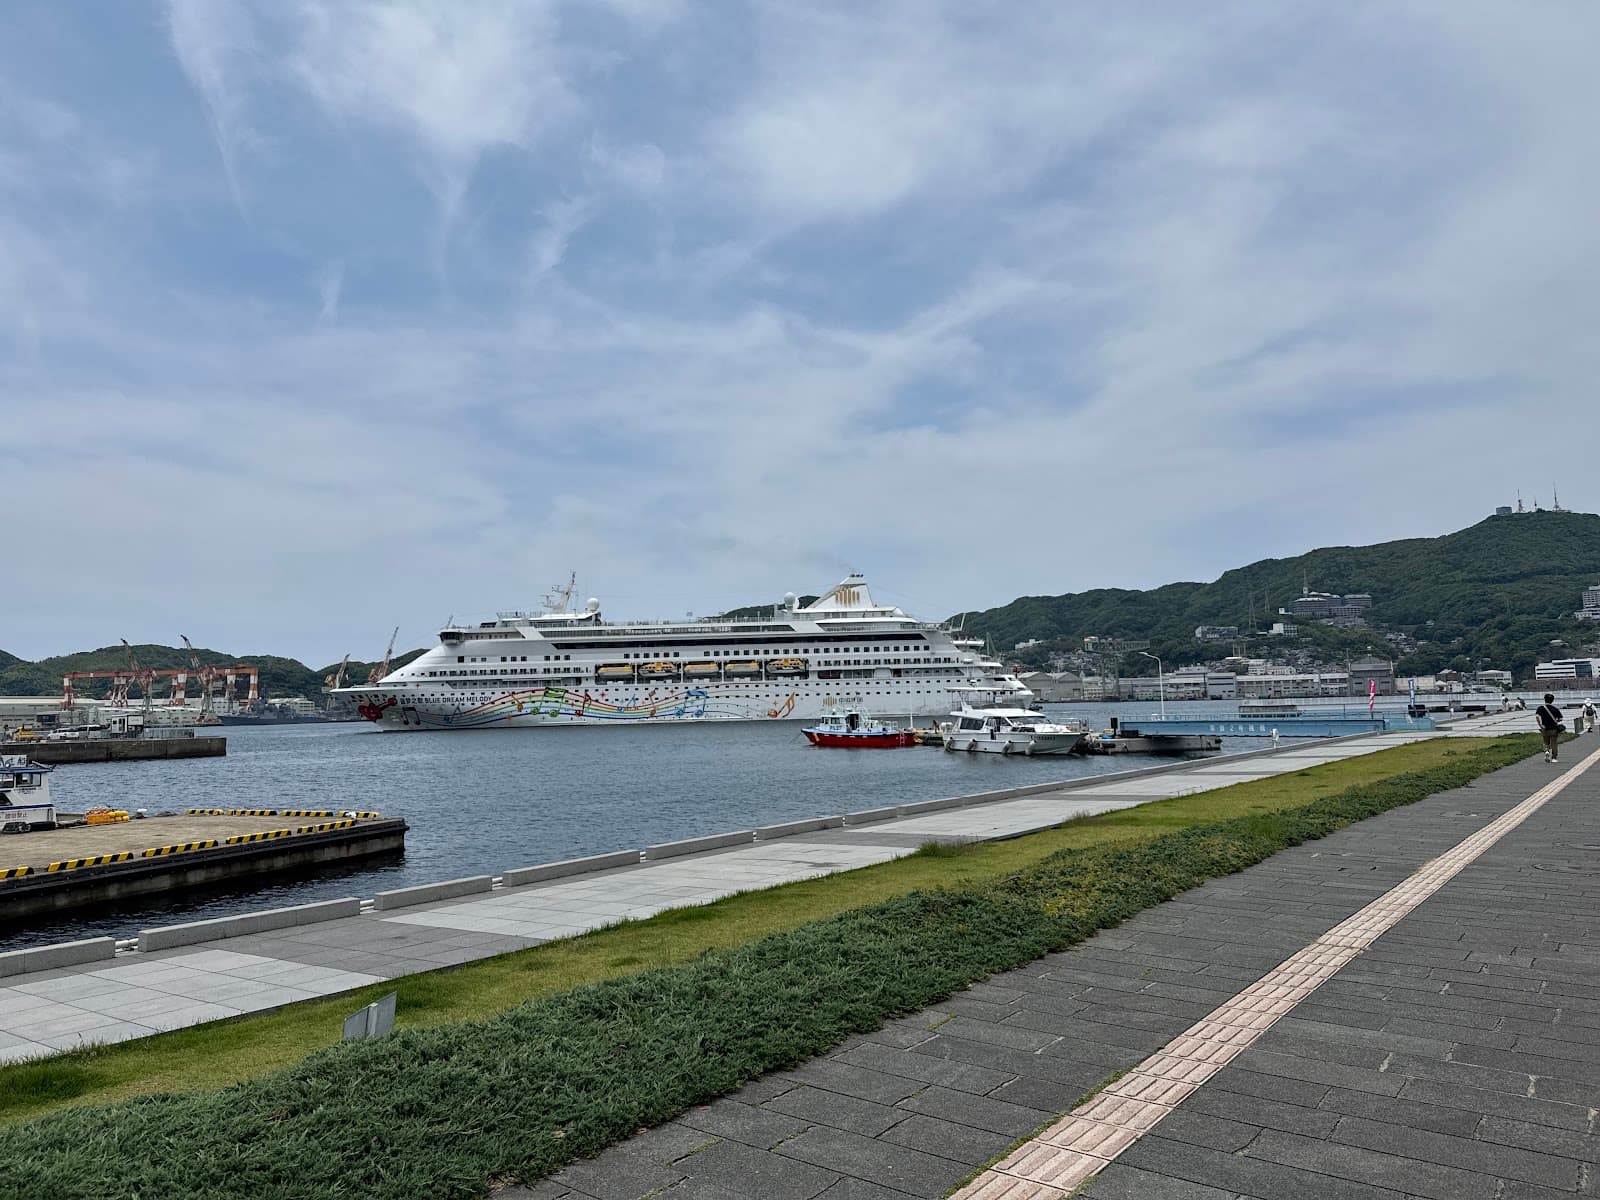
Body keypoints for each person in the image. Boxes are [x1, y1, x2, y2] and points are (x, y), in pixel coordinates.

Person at [1535, 693, 1565, 762]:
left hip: (1545, 729)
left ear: (1544, 699)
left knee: (1545, 742)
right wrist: (1556, 720)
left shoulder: (1540, 708)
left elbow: (1537, 716)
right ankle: (1554, 758)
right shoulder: (1555, 709)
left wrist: (1540, 725)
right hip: (1554, 729)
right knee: (1554, 743)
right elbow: (1560, 718)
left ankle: (1546, 751)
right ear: (1552, 700)